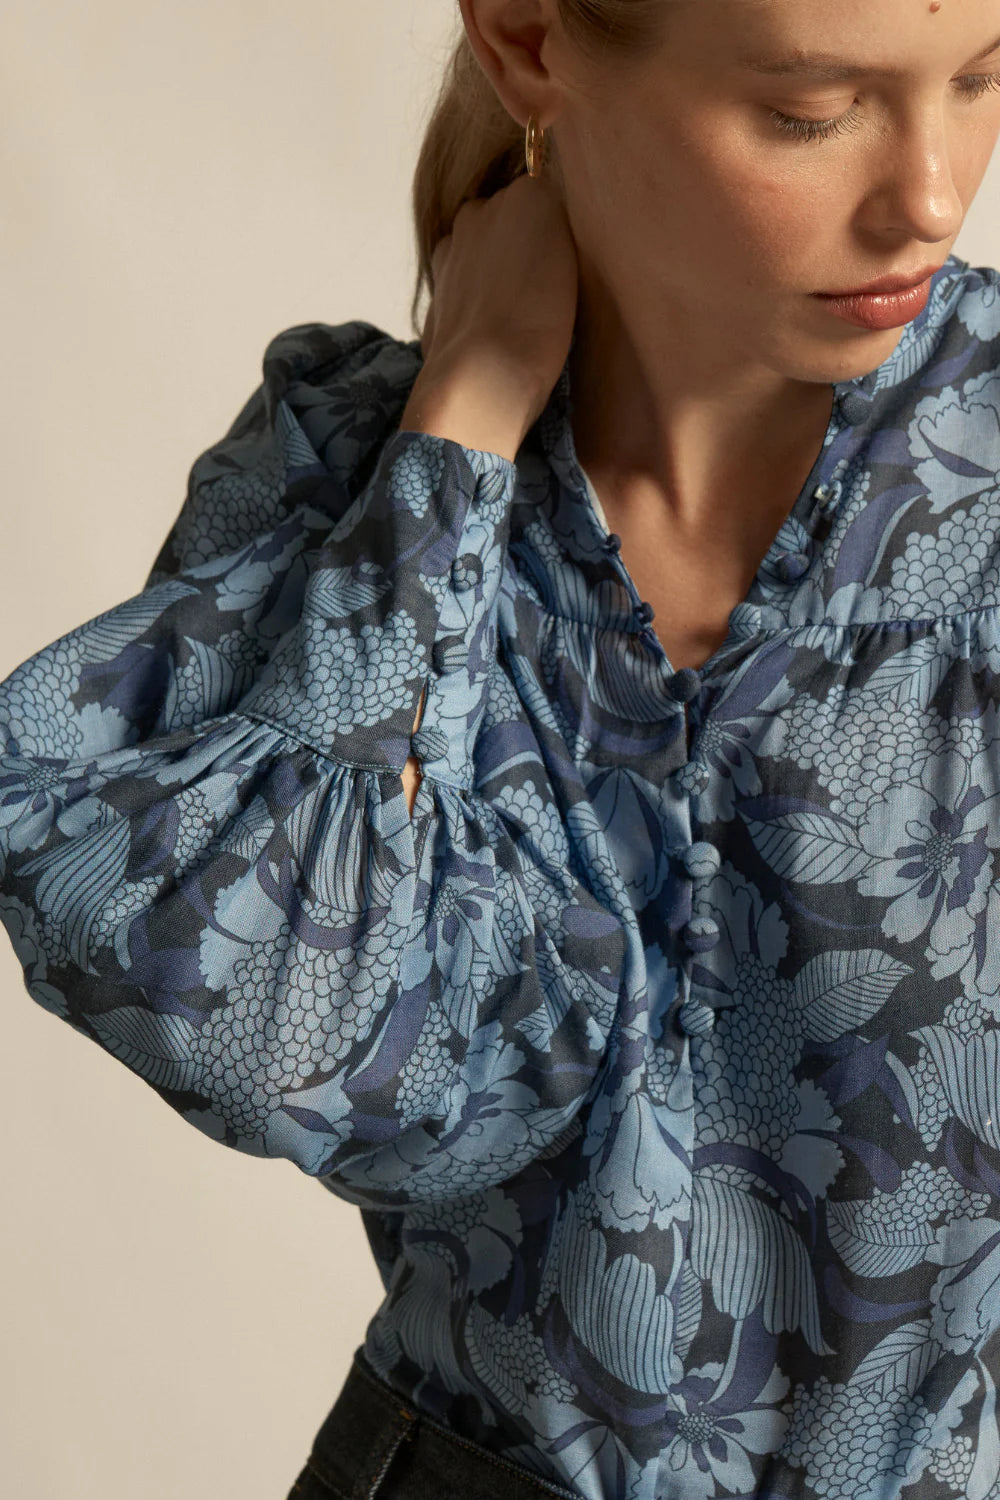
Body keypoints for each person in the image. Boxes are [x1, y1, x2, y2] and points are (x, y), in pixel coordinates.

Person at [2, 0, 1000, 1494]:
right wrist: (465, 412)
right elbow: (285, 1045)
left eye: (982, 78)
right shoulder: (349, 480)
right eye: (813, 110)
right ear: (531, 38)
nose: (930, 193)